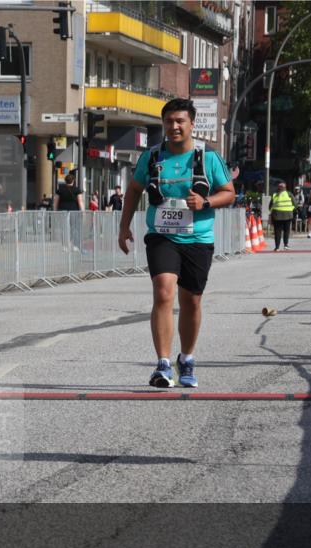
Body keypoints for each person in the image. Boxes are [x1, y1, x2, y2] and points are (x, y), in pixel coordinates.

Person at [117, 98, 235, 388]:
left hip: (197, 237)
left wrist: (205, 201)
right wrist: (124, 226)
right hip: (162, 235)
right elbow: (134, 190)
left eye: (180, 121)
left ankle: (187, 358)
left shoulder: (208, 158)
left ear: (192, 124)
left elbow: (229, 193)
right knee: (163, 291)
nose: (174, 126)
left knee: (191, 301)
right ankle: (163, 365)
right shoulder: (152, 157)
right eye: (169, 121)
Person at [54, 172, 84, 251]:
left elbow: (56, 202)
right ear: (73, 181)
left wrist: (55, 211)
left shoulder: (60, 190)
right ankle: (75, 246)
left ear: (65, 181)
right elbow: (80, 201)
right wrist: (83, 212)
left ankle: (65, 246)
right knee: (75, 228)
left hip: (62, 211)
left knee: (64, 228)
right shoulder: (77, 190)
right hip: (74, 211)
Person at [269, 181, 294, 251]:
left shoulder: (274, 195)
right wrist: (291, 209)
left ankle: (277, 247)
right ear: (285, 188)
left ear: (278, 188)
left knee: (277, 231)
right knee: (286, 231)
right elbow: (295, 204)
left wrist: (272, 211)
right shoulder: (289, 194)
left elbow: (270, 206)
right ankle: (286, 245)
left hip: (277, 216)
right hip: (288, 215)